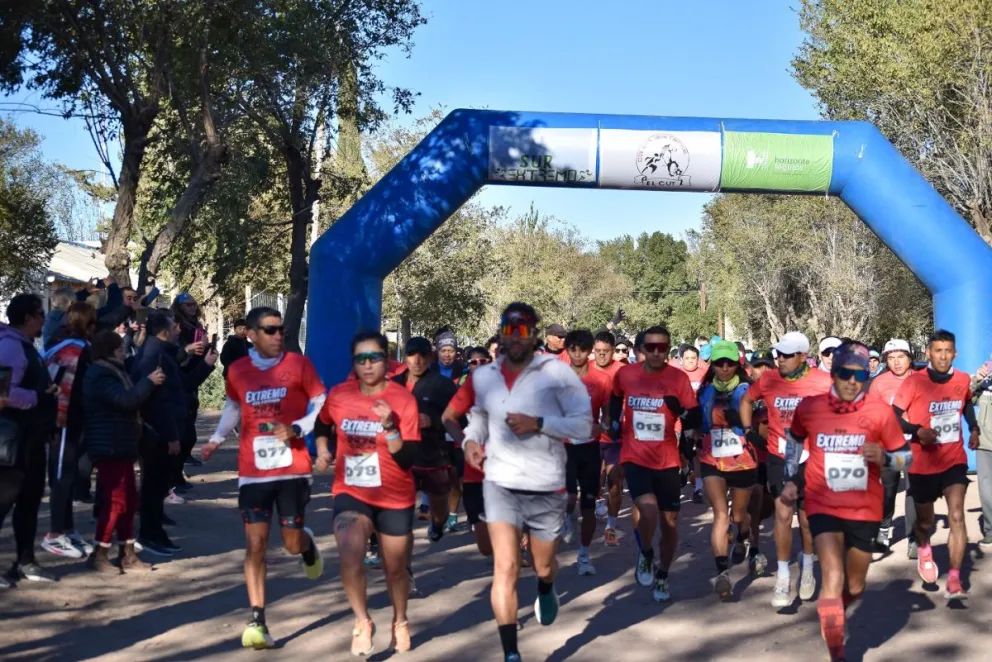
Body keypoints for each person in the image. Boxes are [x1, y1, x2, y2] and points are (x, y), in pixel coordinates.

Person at [462, 302, 592, 662]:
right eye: (509, 329)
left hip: (545, 484)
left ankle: (546, 588)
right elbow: (477, 418)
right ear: (502, 333)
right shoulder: (485, 376)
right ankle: (511, 654)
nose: (515, 337)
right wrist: (471, 441)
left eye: (522, 330)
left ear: (533, 334)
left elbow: (583, 425)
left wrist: (539, 424)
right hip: (500, 483)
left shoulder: (558, 375)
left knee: (544, 565)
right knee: (504, 566)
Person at [201, 306, 325, 649]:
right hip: (253, 471)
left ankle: (306, 545)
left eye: (280, 330)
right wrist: (214, 439)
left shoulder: (299, 365)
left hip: (293, 468)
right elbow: (234, 408)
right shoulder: (239, 370)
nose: (277, 335)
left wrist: (299, 428)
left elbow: (320, 400)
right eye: (270, 330)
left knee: (290, 542)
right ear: (252, 334)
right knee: (255, 543)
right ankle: (258, 620)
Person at [781, 342, 912, 662]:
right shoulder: (811, 407)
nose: (852, 380)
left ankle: (836, 608)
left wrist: (884, 456)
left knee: (854, 585)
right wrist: (789, 479)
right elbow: (794, 441)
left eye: (858, 374)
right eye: (844, 373)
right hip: (822, 502)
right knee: (833, 574)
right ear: (833, 373)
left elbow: (906, 458)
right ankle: (837, 648)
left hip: (864, 507)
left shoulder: (879, 410)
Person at [314, 330, 421, 656]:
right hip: (352, 490)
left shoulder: (403, 399)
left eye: (374, 357)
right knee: (349, 552)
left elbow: (407, 458)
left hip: (394, 494)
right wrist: (322, 448)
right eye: (361, 358)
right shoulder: (339, 394)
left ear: (386, 362)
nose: (368, 364)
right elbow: (322, 424)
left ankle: (400, 619)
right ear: (354, 363)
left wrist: (390, 427)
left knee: (395, 568)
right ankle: (362, 621)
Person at [739, 331, 832, 607]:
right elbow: (746, 401)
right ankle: (782, 578)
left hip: (812, 457)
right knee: (782, 513)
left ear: (803, 357)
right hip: (781, 455)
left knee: (806, 521)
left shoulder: (823, 381)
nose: (779, 359)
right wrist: (747, 430)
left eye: (786, 355)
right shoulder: (768, 379)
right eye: (777, 354)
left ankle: (807, 568)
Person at [610, 325, 700, 602]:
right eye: (652, 347)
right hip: (634, 455)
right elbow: (615, 397)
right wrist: (614, 421)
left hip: (667, 459)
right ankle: (646, 553)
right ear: (641, 351)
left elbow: (695, 420)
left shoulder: (678, 379)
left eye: (663, 347)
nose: (658, 352)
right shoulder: (626, 374)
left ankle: (662, 574)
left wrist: (680, 410)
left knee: (670, 523)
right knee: (647, 509)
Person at [893, 329, 978, 599]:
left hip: (953, 458)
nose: (943, 356)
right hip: (922, 462)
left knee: (956, 515)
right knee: (925, 521)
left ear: (955, 353)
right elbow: (892, 416)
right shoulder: (914, 382)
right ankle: (924, 548)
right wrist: (917, 431)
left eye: (948, 351)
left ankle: (954, 579)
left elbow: (965, 405)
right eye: (937, 350)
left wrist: (973, 428)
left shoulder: (963, 379)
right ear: (928, 353)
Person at [132, 310, 215, 556]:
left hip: (165, 430)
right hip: (157, 433)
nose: (179, 330)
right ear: (164, 331)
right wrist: (170, 436)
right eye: (174, 326)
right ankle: (150, 533)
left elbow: (184, 385)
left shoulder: (164, 355)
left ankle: (155, 530)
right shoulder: (154, 356)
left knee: (157, 486)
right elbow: (157, 402)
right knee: (153, 485)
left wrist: (206, 366)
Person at [83, 330, 164, 574]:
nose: (124, 351)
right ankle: (100, 554)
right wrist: (148, 382)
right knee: (116, 502)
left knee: (129, 500)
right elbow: (125, 401)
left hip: (120, 443)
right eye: (120, 348)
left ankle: (127, 553)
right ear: (110, 351)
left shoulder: (112, 371)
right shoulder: (101, 374)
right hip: (109, 445)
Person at [0, 294, 59, 586]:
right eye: (40, 314)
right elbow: (1, 394)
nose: (43, 320)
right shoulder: (10, 347)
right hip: (11, 444)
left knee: (29, 502)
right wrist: (38, 397)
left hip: (32, 441)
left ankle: (25, 561)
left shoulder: (26, 346)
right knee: (3, 502)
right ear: (27, 318)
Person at [696, 341, 755, 600]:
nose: (724, 367)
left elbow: (761, 421)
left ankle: (742, 538)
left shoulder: (749, 391)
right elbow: (697, 420)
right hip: (712, 459)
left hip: (743, 460)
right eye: (719, 363)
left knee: (739, 515)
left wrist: (745, 424)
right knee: (720, 514)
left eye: (729, 363)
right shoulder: (705, 391)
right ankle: (723, 572)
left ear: (737, 364)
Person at [40, 302, 97, 560]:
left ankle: (68, 528)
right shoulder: (75, 350)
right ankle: (54, 534)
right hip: (62, 421)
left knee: (68, 475)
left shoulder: (62, 345)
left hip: (70, 420)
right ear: (90, 325)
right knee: (61, 476)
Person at [393, 336, 458, 552]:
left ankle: (438, 524)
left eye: (423, 355)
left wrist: (435, 421)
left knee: (440, 509)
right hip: (401, 456)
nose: (417, 360)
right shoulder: (393, 384)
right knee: (397, 512)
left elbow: (461, 419)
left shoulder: (443, 385)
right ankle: (394, 551)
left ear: (430, 358)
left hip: (433, 455)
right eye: (412, 355)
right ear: (405, 357)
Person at [561, 329, 610, 576]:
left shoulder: (600, 379)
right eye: (573, 349)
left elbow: (609, 412)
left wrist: (603, 425)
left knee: (589, 506)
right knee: (569, 498)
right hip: (563, 448)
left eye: (583, 349)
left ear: (590, 350)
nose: (578, 354)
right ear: (567, 350)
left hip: (590, 448)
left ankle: (584, 555)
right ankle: (567, 516)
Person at [865, 338, 918, 555]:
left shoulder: (922, 379)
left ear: (909, 358)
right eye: (891, 358)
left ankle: (914, 537)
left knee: (915, 490)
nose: (896, 362)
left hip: (916, 443)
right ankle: (884, 528)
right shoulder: (879, 383)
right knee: (888, 490)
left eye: (901, 357)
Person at [591, 331, 625, 542]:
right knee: (596, 479)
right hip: (591, 436)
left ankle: (611, 526)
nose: (601, 355)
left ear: (613, 351)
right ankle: (597, 500)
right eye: (598, 351)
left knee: (615, 478)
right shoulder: (584, 370)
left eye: (606, 352)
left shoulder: (622, 371)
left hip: (616, 435)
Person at [171, 293, 209, 480]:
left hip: (193, 373)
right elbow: (174, 356)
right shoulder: (177, 327)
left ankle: (183, 459)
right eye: (188, 305)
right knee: (184, 429)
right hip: (181, 376)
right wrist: (189, 351)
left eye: (194, 304)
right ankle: (175, 472)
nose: (192, 308)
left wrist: (206, 349)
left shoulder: (197, 325)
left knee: (190, 420)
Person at [745, 349, 776, 577]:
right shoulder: (744, 392)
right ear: (750, 369)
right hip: (748, 458)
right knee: (753, 504)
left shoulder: (783, 393)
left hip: (774, 458)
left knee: (768, 508)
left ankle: (742, 533)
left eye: (767, 366)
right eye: (758, 366)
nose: (762, 371)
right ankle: (754, 549)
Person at [677, 344, 708, 503]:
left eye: (693, 358)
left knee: (698, 455)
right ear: (681, 360)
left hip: (697, 421)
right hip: (678, 422)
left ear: (698, 359)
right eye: (687, 358)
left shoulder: (704, 376)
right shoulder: (676, 375)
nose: (690, 361)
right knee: (679, 454)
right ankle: (684, 470)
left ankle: (698, 489)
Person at [972, 360, 992, 546]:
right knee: (986, 490)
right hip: (984, 443)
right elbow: (965, 398)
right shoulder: (984, 383)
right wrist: (976, 380)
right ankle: (990, 530)